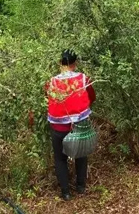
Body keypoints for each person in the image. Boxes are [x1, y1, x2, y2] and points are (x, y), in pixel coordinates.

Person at [46, 49, 96, 201]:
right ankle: (81, 186)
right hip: (79, 126)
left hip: (58, 128)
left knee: (60, 158)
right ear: (74, 64)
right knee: (81, 153)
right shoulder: (82, 79)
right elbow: (92, 97)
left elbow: (48, 98)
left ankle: (66, 192)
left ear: (60, 63)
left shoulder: (52, 81)